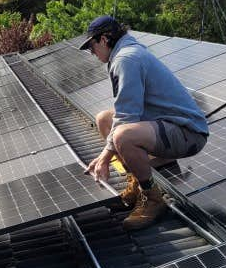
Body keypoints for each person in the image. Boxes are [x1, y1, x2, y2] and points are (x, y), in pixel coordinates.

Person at [80, 16, 209, 230]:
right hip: (164, 124)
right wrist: (108, 153)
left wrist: (105, 156)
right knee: (104, 119)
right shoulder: (123, 55)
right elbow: (125, 113)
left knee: (123, 135)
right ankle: (136, 181)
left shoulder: (126, 59)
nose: (91, 52)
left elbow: (127, 117)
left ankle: (152, 198)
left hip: (187, 133)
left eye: (91, 46)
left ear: (104, 39)